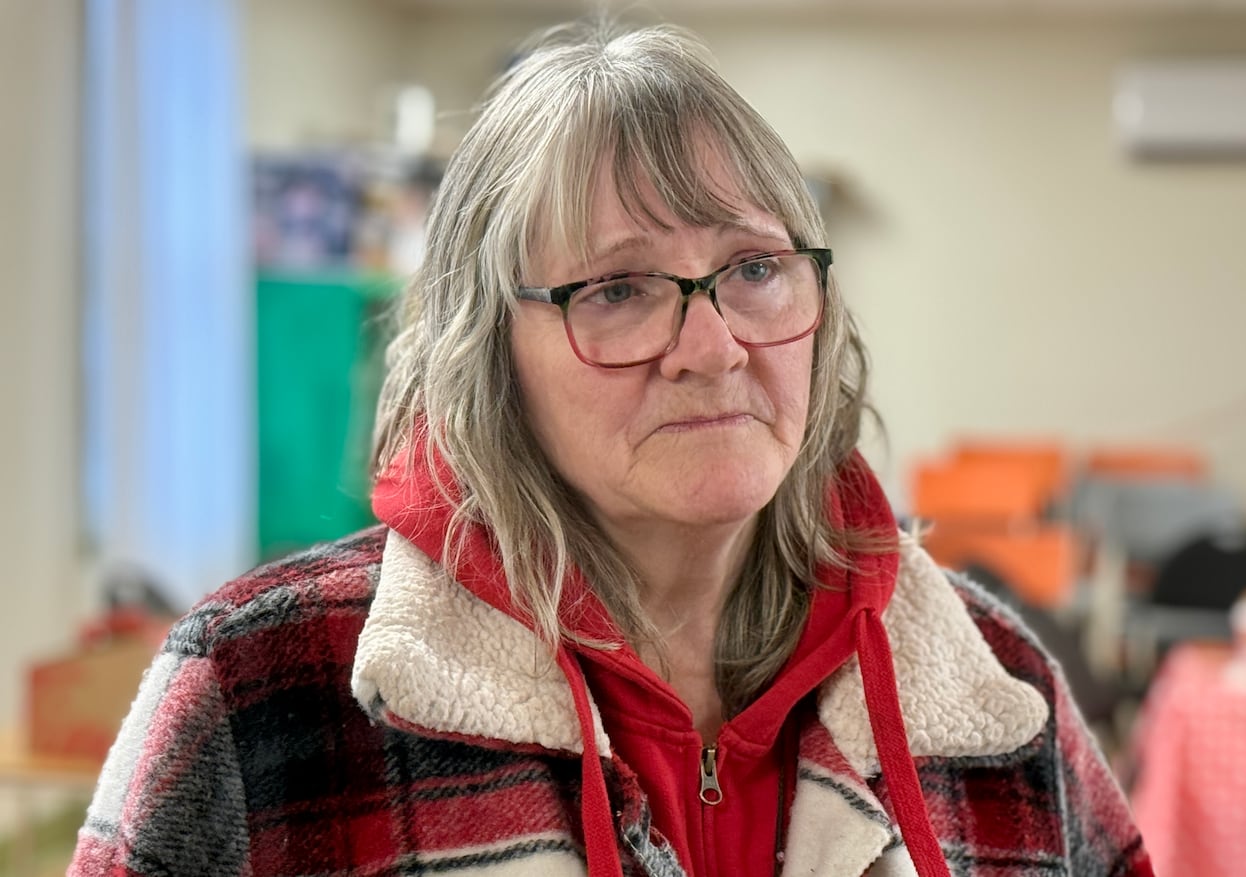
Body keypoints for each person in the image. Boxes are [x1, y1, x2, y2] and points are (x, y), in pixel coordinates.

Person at [70, 20, 1153, 877]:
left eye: (756, 267)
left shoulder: (991, 687)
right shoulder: (262, 691)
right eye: (621, 289)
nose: (713, 345)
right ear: (484, 348)